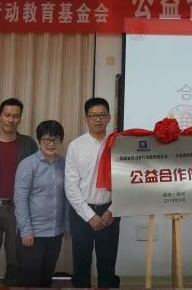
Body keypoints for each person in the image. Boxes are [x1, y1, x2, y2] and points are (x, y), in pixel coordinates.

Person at [0, 98, 38, 286]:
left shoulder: (29, 144)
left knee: (16, 264)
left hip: (19, 211)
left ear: (20, 118)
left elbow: (37, 178)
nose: (11, 120)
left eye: (15, 116)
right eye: (7, 115)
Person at [65, 97, 120, 288]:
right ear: (86, 118)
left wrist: (112, 210)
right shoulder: (75, 146)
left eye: (102, 115)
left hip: (110, 211)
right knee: (81, 263)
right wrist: (89, 216)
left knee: (108, 263)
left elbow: (125, 182)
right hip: (82, 212)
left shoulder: (118, 144)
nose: (98, 119)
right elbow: (71, 186)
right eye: (93, 116)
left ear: (109, 117)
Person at [14, 120, 70, 288]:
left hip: (55, 232)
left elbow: (66, 197)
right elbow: (20, 199)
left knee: (47, 277)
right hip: (33, 234)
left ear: (61, 141)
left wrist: (66, 225)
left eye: (55, 140)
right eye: (46, 139)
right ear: (39, 140)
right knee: (30, 279)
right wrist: (26, 230)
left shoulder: (64, 165)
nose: (51, 144)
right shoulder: (28, 164)